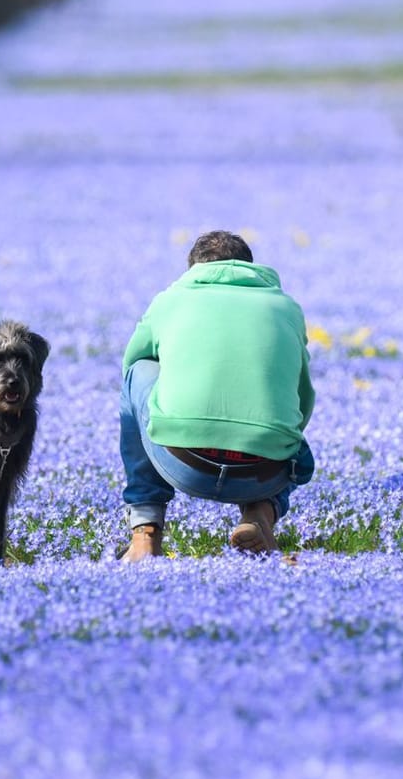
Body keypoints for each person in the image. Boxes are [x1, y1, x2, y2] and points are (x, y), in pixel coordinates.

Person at [118, 231, 316, 561]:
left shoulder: (171, 299)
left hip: (184, 463)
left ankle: (145, 531)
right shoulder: (286, 307)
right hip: (262, 473)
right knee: (287, 433)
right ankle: (260, 514)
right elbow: (303, 399)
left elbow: (130, 364)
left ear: (193, 270)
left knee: (138, 372)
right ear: (251, 269)